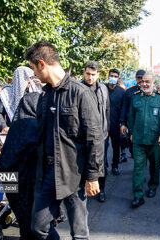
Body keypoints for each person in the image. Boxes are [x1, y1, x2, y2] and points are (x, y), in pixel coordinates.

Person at [24, 40, 104, 239]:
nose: (33, 74)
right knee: (39, 227)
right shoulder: (44, 95)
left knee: (79, 233)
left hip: (74, 174)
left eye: (33, 68)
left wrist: (92, 176)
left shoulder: (80, 93)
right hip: (47, 174)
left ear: (42, 64)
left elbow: (95, 137)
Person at [0, 67, 42, 239]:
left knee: (25, 215)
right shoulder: (7, 94)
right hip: (33, 180)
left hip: (15, 174)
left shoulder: (36, 94)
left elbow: (4, 167)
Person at [127, 73, 160, 208]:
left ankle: (153, 185)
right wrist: (131, 132)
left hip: (155, 140)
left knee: (155, 165)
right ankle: (138, 195)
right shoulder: (135, 97)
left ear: (154, 83)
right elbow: (131, 116)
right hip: (138, 140)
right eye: (142, 81)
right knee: (138, 167)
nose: (144, 84)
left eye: (147, 82)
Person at [82, 61, 110, 202]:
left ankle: (101, 189)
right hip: (83, 136)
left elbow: (107, 110)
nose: (90, 77)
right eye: (88, 74)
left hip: (101, 136)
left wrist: (107, 129)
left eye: (93, 74)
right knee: (82, 163)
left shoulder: (103, 89)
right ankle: (83, 190)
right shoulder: (78, 89)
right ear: (84, 73)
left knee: (101, 164)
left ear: (98, 75)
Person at [0, 66, 41, 133]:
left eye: (31, 78)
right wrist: (3, 126)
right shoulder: (6, 93)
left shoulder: (34, 90)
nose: (29, 81)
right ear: (19, 78)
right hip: (13, 130)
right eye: (27, 78)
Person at [120, 69, 146, 158]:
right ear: (136, 78)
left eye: (142, 78)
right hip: (132, 125)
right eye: (139, 78)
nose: (141, 80)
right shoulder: (129, 92)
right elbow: (124, 108)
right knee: (132, 147)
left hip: (145, 125)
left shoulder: (149, 91)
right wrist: (123, 123)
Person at [106, 69, 126, 178]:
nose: (112, 78)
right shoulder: (102, 88)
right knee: (102, 147)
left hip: (116, 124)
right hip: (103, 124)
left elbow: (123, 109)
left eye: (115, 76)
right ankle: (103, 166)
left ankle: (115, 165)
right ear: (108, 76)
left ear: (118, 78)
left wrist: (122, 123)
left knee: (115, 146)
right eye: (111, 76)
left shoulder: (121, 92)